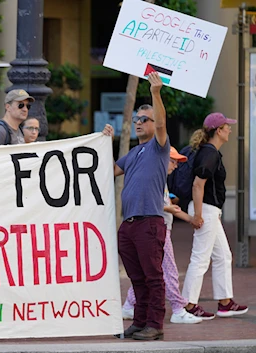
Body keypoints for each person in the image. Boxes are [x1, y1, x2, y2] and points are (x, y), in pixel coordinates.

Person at [103, 72, 169, 340]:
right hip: (129, 225)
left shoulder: (159, 147)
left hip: (149, 222)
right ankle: (141, 322)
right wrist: (103, 142)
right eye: (136, 119)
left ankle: (155, 324)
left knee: (153, 276)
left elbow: (163, 125)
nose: (139, 123)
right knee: (137, 278)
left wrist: (156, 93)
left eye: (145, 119)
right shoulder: (133, 153)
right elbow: (107, 170)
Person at [121, 147, 202, 325]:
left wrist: (191, 219)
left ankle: (129, 305)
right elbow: (152, 202)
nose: (175, 166)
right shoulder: (154, 179)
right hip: (158, 229)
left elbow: (166, 206)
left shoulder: (161, 182)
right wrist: (170, 208)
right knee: (168, 270)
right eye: (173, 161)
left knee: (149, 271)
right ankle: (178, 309)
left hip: (161, 229)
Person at [181, 112, 248, 319]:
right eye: (227, 126)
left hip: (210, 210)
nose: (229, 129)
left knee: (223, 256)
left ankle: (225, 302)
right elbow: (197, 185)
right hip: (205, 210)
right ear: (218, 131)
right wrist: (198, 215)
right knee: (200, 258)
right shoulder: (209, 153)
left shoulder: (209, 151)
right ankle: (188, 305)